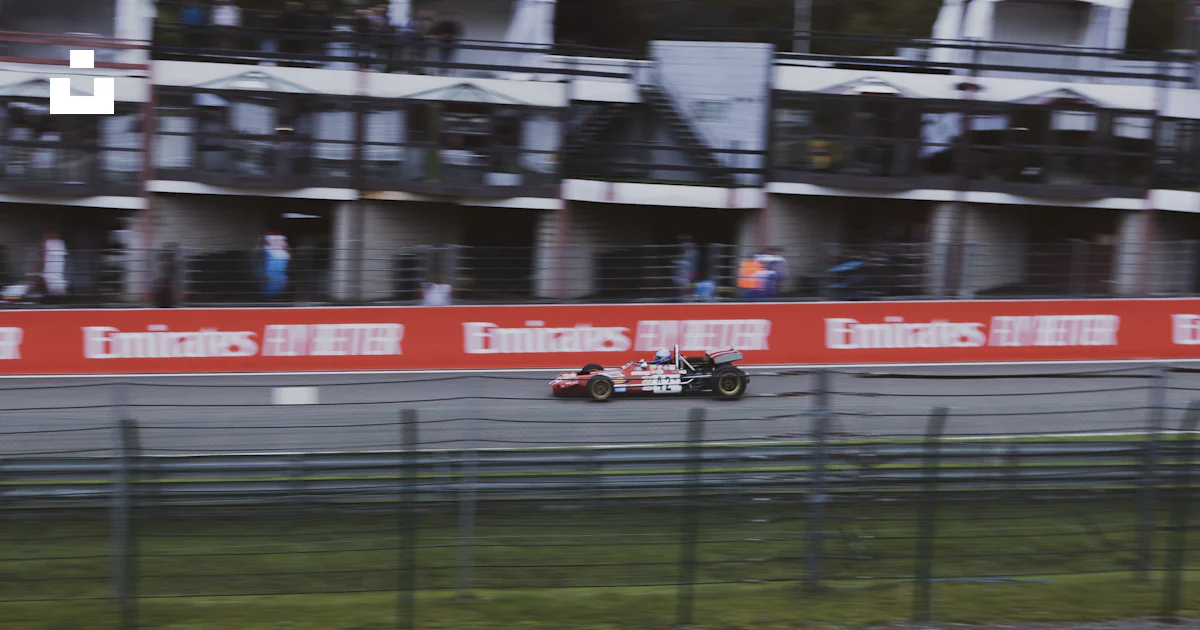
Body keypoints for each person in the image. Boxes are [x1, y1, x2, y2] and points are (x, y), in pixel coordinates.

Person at [429, 11, 462, 76]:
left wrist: (451, 36)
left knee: (450, 58)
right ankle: (442, 71)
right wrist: (441, 36)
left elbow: (458, 35)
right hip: (441, 44)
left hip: (451, 44)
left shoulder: (455, 25)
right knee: (442, 58)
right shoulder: (440, 25)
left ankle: (449, 72)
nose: (448, 18)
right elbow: (433, 33)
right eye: (446, 16)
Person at [262, 230, 290, 300]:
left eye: (281, 241)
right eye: (276, 241)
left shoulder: (285, 256)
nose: (281, 243)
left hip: (284, 291)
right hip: (267, 291)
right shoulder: (265, 255)